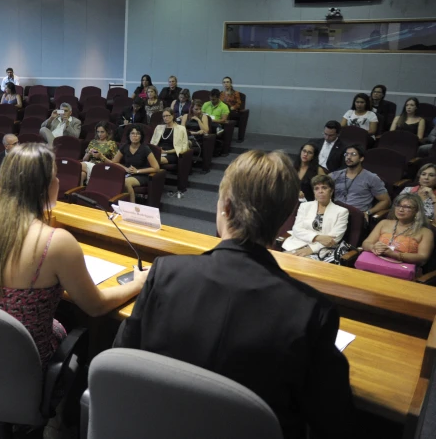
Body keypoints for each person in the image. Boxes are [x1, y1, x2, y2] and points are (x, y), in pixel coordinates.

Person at [114, 150, 355, 439]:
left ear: (225, 207)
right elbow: (335, 423)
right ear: (284, 220)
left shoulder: (164, 273)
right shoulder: (313, 311)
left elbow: (120, 359)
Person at [0, 143, 148, 366]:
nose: (59, 182)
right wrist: (138, 283)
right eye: (55, 176)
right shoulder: (56, 242)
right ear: (42, 187)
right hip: (26, 361)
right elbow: (96, 306)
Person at [360, 193, 434, 269]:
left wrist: (395, 255)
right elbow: (366, 243)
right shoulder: (384, 223)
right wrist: (373, 247)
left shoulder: (426, 232)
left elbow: (423, 257)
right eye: (398, 205)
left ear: (417, 210)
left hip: (402, 270)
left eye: (407, 207)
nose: (401, 210)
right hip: (375, 263)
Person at [282, 175, 349, 257]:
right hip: (298, 244)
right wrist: (317, 237)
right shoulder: (305, 206)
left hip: (322, 250)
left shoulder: (342, 212)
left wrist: (311, 249)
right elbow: (297, 229)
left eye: (324, 188)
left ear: (331, 191)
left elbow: (333, 239)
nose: (320, 191)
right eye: (316, 188)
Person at [329, 144, 390, 222]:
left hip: (356, 216)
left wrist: (368, 212)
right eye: (346, 154)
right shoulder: (335, 175)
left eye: (353, 154)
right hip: (335, 214)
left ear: (361, 158)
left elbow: (385, 201)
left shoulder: (371, 178)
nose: (348, 157)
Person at [111, 125, 160, 204]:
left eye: (137, 134)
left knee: (126, 182)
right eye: (132, 133)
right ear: (129, 135)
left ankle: (132, 206)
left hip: (142, 175)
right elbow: (114, 162)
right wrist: (126, 169)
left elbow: (156, 168)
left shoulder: (145, 148)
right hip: (128, 172)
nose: (135, 136)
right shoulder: (125, 146)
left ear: (141, 136)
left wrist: (137, 171)